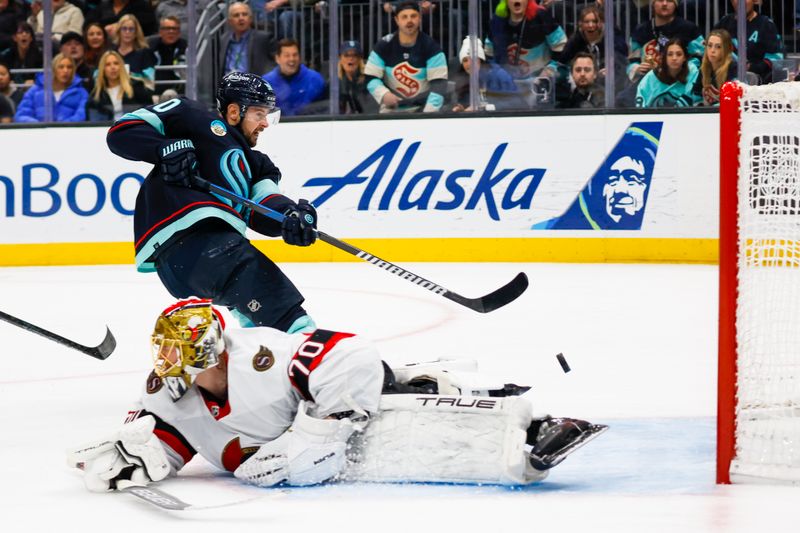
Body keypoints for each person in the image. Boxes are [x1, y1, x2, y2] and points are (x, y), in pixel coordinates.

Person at [67, 298, 606, 491]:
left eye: (176, 351)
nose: (165, 363)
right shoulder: (171, 391)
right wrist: (135, 455)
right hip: (306, 436)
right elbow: (166, 438)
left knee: (398, 413)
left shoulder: (264, 356)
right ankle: (436, 381)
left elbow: (348, 355)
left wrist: (318, 434)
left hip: (338, 414)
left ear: (208, 350)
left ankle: (532, 430)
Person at [105, 72, 318, 333]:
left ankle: (256, 368)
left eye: (268, 116)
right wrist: (165, 148)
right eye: (259, 114)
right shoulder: (191, 116)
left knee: (261, 326)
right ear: (233, 111)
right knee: (285, 313)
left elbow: (264, 204)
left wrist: (291, 216)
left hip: (201, 260)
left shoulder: (259, 164)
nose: (265, 124)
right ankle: (317, 359)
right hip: (201, 243)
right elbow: (122, 131)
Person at [364, 1, 448, 113]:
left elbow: (439, 85)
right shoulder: (383, 45)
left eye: (413, 16)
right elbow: (370, 77)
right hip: (391, 108)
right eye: (404, 17)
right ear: (396, 20)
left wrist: (427, 115)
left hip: (423, 109)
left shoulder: (432, 47)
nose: (409, 21)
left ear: (420, 19)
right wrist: (384, 94)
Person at [485, 0, 567, 82]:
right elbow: (489, 52)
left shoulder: (541, 16)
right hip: (509, 82)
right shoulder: (498, 20)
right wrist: (497, 70)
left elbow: (561, 44)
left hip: (541, 79)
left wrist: (550, 69)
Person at [626, 0, 703, 84]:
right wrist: (637, 68)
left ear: (675, 4)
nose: (665, 4)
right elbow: (631, 61)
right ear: (653, 3)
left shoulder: (689, 29)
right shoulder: (640, 31)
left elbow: (700, 56)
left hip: (680, 83)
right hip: (647, 83)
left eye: (670, 1)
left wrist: (683, 69)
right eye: (660, 0)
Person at [559, 4, 628, 93]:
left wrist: (612, 70)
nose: (591, 25)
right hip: (581, 83)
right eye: (587, 22)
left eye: (595, 21)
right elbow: (562, 63)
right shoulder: (575, 41)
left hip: (608, 85)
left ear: (601, 23)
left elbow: (622, 60)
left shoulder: (612, 39)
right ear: (580, 24)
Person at [713, 0, 783, 84]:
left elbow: (775, 58)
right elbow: (709, 50)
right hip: (724, 78)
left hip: (756, 83)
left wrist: (751, 67)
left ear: (754, 1)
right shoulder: (724, 22)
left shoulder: (766, 24)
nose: (741, 2)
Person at [450, 36, 520, 112]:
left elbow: (517, 102)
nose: (469, 64)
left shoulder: (499, 75)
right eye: (465, 60)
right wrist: (462, 109)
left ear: (481, 60)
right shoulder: (463, 79)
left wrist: (486, 107)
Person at [14, 52, 89, 122]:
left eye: (69, 67)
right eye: (61, 67)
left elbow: (80, 116)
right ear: (54, 69)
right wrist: (41, 128)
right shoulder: (35, 91)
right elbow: (22, 115)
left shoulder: (81, 93)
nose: (65, 70)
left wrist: (59, 129)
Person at [263, 38, 325, 117]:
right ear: (277, 58)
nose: (291, 59)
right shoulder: (266, 83)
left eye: (295, 55)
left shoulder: (315, 79)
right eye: (287, 55)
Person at [86, 50, 153, 121]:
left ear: (121, 66)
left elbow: (148, 111)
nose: (113, 67)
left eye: (116, 63)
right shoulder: (97, 94)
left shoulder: (136, 86)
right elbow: (94, 119)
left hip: (133, 127)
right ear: (103, 69)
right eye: (108, 64)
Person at [635, 37, 700, 108]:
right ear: (664, 57)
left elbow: (692, 98)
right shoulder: (651, 77)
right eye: (670, 54)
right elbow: (640, 106)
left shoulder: (691, 71)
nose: (674, 58)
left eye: (679, 54)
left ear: (685, 57)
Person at [220, 2, 275, 77]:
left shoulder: (263, 38)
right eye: (236, 15)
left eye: (244, 14)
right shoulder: (224, 40)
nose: (241, 18)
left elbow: (275, 64)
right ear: (230, 21)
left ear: (250, 18)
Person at [113, 14, 156, 91]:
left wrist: (131, 76)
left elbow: (150, 79)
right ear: (119, 31)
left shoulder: (144, 52)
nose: (127, 32)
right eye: (124, 29)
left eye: (131, 29)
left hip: (138, 93)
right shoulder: (112, 53)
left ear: (136, 32)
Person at [147, 15, 187, 96]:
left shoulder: (185, 47)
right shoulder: (150, 46)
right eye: (167, 28)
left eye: (174, 29)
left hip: (178, 92)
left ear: (179, 33)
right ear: (160, 32)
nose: (171, 31)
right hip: (155, 92)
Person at [697, 29, 736, 107]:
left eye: (718, 47)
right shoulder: (704, 68)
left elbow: (733, 100)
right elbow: (695, 96)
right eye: (710, 45)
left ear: (726, 49)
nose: (712, 50)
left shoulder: (733, 69)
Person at [337, 39, 377, 114]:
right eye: (346, 55)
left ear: (360, 59)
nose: (351, 58)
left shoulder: (370, 80)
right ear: (340, 58)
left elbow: (372, 109)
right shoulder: (334, 83)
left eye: (355, 55)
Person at [87, 0, 156, 39]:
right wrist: (102, 29)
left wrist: (119, 25)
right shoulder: (103, 5)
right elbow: (88, 24)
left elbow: (148, 25)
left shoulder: (142, 5)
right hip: (105, 45)